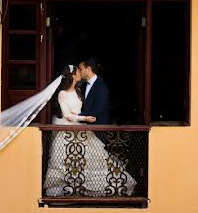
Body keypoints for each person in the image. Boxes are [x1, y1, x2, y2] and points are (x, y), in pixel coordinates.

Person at [43, 65, 136, 198]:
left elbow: (81, 110)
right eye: (78, 71)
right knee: (68, 163)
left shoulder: (78, 90)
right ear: (73, 76)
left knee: (93, 160)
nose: (80, 73)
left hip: (82, 131)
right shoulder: (62, 94)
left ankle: (94, 190)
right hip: (68, 133)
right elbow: (67, 115)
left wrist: (84, 115)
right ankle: (67, 193)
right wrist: (84, 117)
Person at [78, 59, 110, 125]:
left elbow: (98, 109)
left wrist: (78, 116)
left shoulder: (101, 86)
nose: (78, 72)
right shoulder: (83, 85)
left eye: (80, 69)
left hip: (98, 127)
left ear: (88, 69)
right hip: (84, 127)